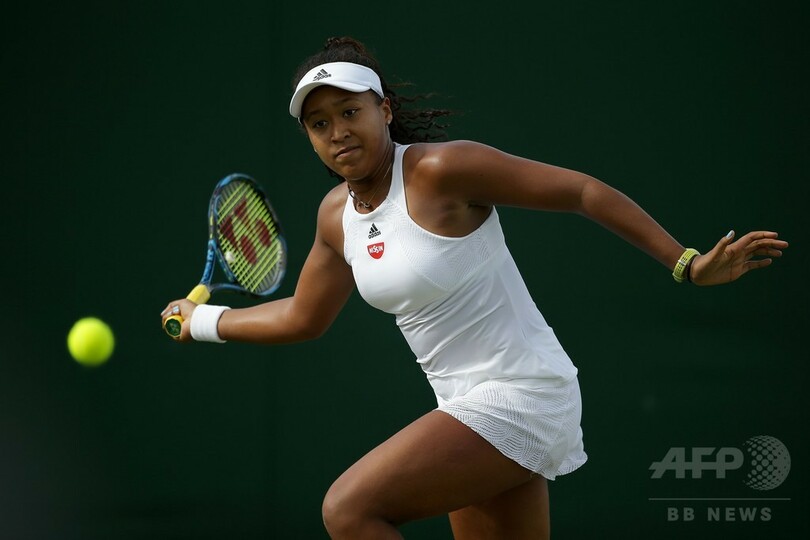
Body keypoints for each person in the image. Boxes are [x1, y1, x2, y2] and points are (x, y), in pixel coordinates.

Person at [161, 37, 788, 539]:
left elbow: (581, 191)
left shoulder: (442, 170)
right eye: (320, 123)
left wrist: (685, 263)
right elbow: (304, 315)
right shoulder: (335, 217)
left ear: (384, 110)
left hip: (522, 394)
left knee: (348, 509)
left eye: (350, 112)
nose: (338, 132)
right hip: (462, 407)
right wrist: (203, 321)